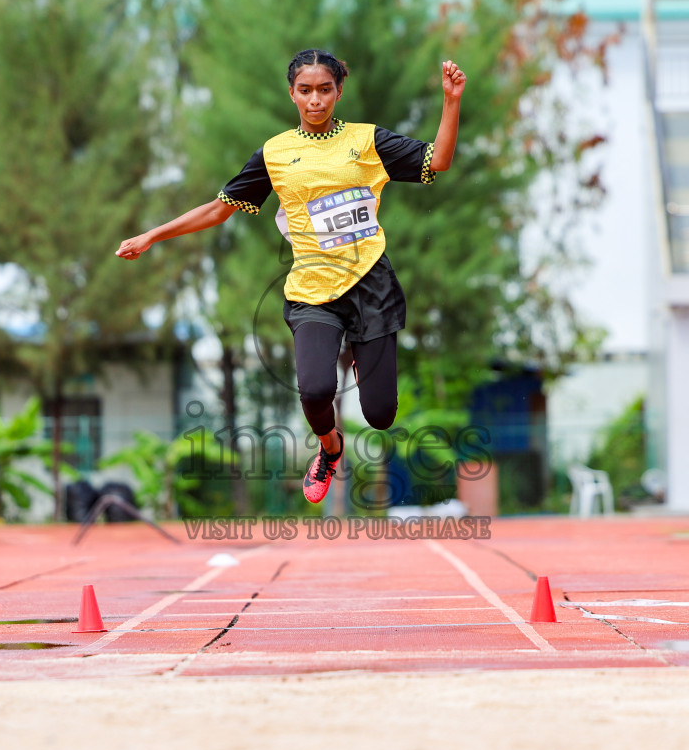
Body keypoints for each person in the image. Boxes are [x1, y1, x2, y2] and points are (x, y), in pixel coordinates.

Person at [115, 49, 466, 503]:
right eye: (306, 91)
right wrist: (153, 235)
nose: (315, 100)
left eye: (324, 90)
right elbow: (220, 209)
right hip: (312, 292)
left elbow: (436, 161)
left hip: (371, 285)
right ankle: (330, 448)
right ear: (292, 94)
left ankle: (363, 349)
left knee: (380, 415)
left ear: (339, 91)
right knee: (316, 389)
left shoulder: (366, 141)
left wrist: (451, 100)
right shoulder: (276, 153)